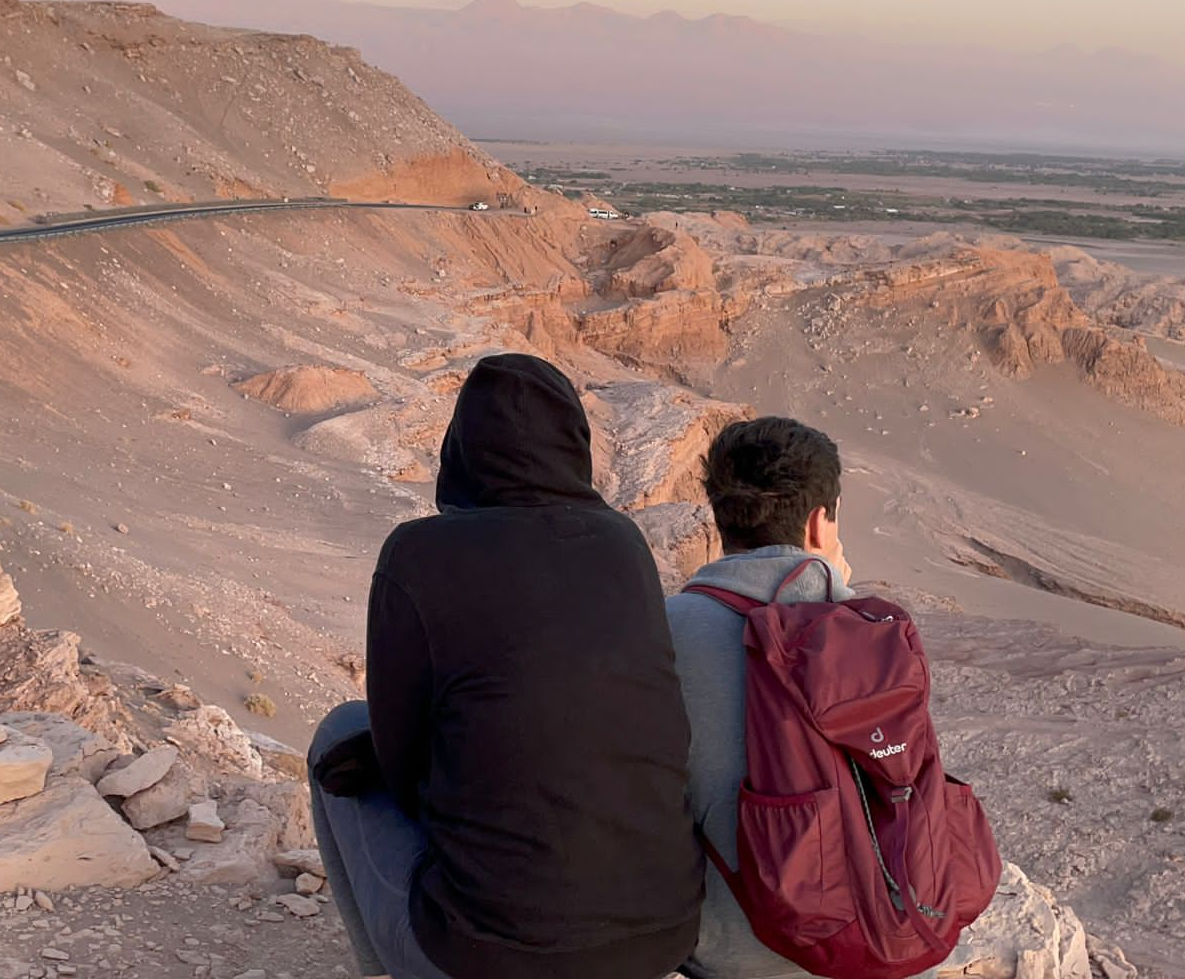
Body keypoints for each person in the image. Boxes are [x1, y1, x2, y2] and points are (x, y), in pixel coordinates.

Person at [307, 352, 703, 979]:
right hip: (662, 937)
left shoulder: (417, 555)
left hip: (485, 953)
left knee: (338, 730)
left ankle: (386, 969)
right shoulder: (623, 545)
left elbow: (406, 768)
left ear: (459, 450)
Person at [667, 416, 878, 979]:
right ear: (819, 521)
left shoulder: (664, 627)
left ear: (719, 518)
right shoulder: (876, 633)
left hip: (734, 954)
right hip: (884, 944)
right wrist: (835, 589)